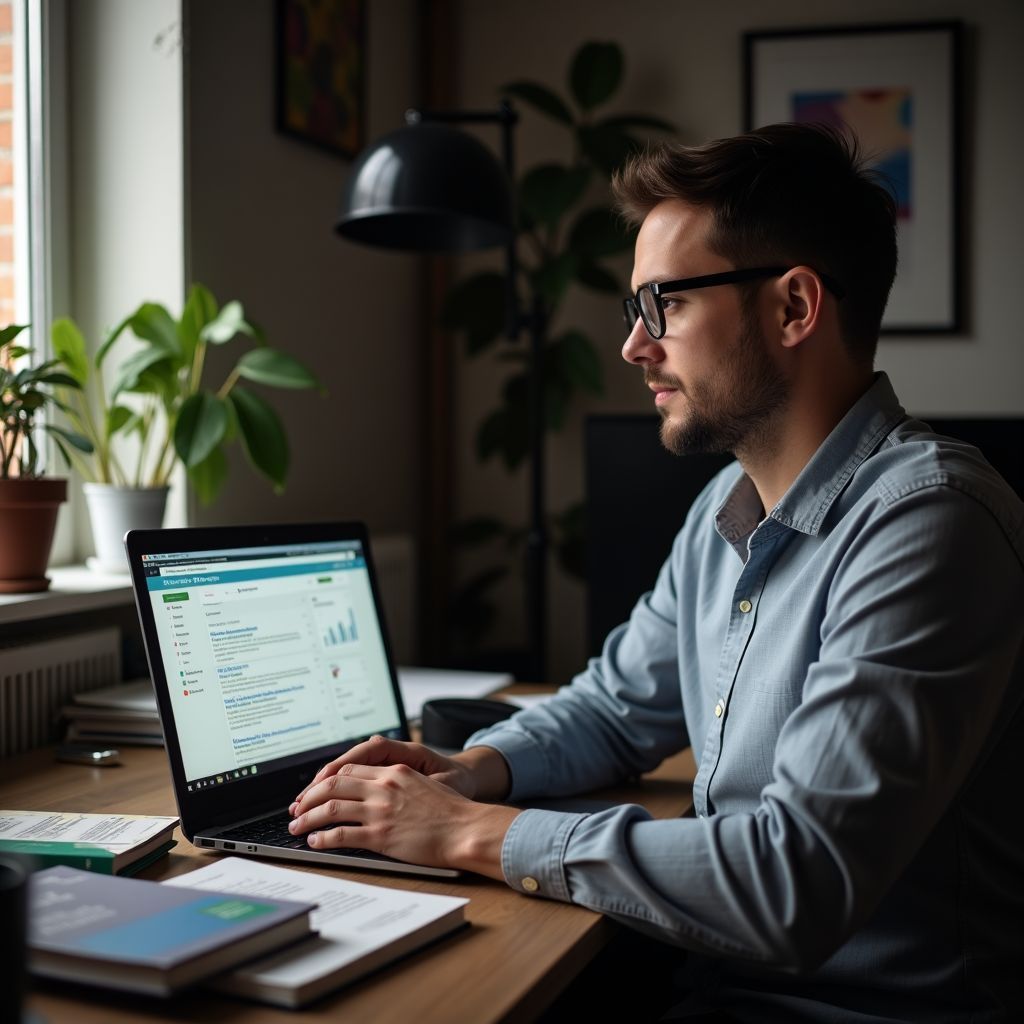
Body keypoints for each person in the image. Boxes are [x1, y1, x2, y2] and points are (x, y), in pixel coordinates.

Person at [289, 123, 1024, 1021]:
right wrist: (469, 771)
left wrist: (474, 833)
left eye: (663, 304)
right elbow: (613, 707)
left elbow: (794, 883)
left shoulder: (926, 523)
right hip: (710, 984)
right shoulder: (728, 504)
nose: (637, 347)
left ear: (794, 308)